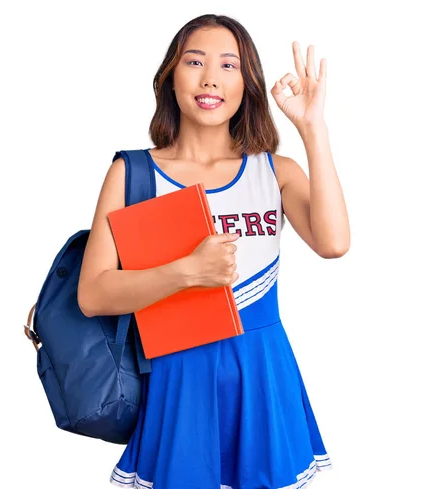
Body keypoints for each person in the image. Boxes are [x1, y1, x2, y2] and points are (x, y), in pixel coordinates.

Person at [77, 13, 350, 489]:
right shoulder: (133, 173)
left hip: (263, 376)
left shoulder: (275, 171)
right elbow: (94, 294)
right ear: (170, 77)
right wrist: (186, 272)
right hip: (177, 379)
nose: (210, 78)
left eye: (229, 65)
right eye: (194, 61)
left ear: (248, 83)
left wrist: (313, 129)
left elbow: (334, 242)